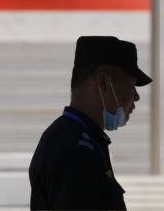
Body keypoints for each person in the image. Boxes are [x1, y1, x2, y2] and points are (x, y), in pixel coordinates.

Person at [29, 36, 152, 210]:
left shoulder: (75, 137)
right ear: (103, 82)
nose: (136, 96)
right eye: (132, 84)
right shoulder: (75, 148)